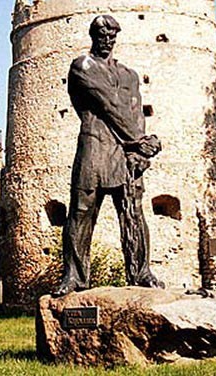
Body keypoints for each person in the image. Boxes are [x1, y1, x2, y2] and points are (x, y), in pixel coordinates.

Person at [55, 15, 164, 296]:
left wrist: (140, 152)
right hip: (94, 146)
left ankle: (141, 273)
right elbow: (108, 103)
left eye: (111, 36)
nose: (107, 41)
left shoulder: (129, 74)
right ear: (93, 36)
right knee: (81, 213)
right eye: (102, 36)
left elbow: (136, 110)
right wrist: (140, 141)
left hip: (125, 152)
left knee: (133, 213)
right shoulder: (83, 67)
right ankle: (74, 277)